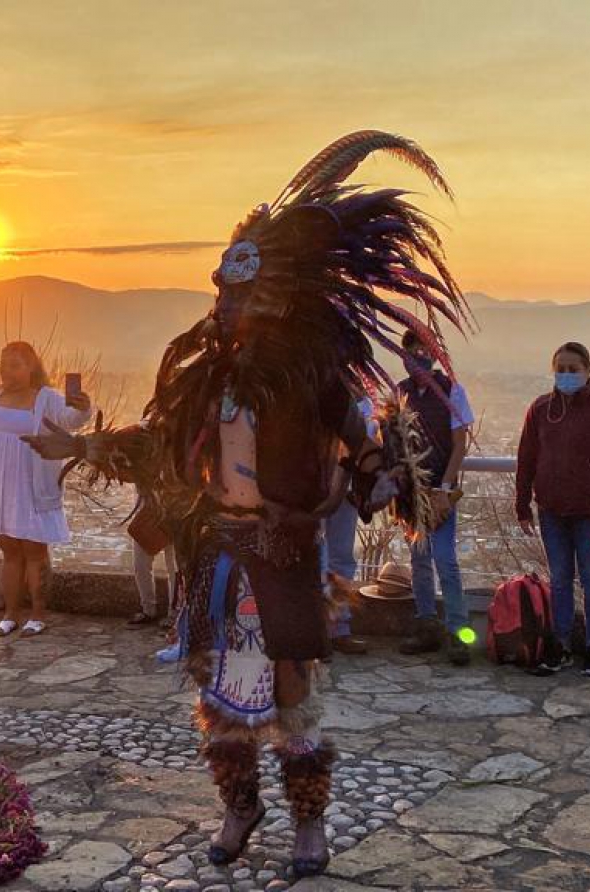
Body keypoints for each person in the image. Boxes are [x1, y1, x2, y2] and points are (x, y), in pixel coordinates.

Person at [25, 130, 468, 877]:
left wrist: (383, 477)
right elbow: (160, 436)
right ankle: (240, 805)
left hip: (286, 555)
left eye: (247, 296)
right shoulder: (205, 378)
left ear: (279, 303)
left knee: (293, 701)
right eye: (225, 294)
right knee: (220, 702)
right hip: (216, 555)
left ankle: (308, 825)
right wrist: (83, 448)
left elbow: (360, 444)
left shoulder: (316, 379)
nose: (231, 310)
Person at [515, 342, 590, 677]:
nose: (565, 375)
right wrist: (522, 504)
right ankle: (560, 645)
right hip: (552, 510)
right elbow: (527, 459)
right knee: (561, 580)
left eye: (572, 369)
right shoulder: (540, 409)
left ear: (588, 370)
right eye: (560, 369)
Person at [0, 342, 91, 638]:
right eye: (3, 365)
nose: (6, 371)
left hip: (31, 485)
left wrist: (82, 407)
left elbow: (70, 421)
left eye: (14, 365)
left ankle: (37, 614)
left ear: (31, 367)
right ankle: (10, 614)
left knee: (34, 551)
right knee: (10, 551)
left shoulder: (46, 398)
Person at [396, 329, 474, 665]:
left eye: (425, 349)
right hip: (412, 491)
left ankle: (459, 631)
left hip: (439, 489)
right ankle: (427, 623)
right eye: (413, 350)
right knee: (419, 560)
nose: (420, 355)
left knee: (445, 559)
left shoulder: (452, 390)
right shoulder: (400, 391)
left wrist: (444, 487)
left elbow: (459, 444)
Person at [323, 395, 377, 655]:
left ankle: (338, 629)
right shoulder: (320, 394)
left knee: (342, 558)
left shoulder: (365, 404)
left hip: (349, 491)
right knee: (316, 557)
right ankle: (317, 630)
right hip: (317, 488)